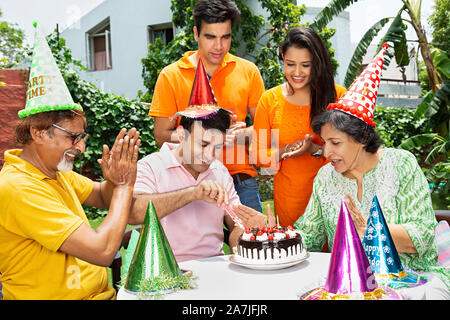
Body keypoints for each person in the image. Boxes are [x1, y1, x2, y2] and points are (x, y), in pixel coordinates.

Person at [0, 109, 140, 300]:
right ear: (38, 133)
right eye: (73, 137)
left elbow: (101, 195)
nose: (81, 147)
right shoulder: (18, 187)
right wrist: (124, 187)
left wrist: (115, 182)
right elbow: (102, 251)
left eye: (82, 138)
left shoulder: (56, 172)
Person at [149, 0, 265, 212]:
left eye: (225, 37)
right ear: (196, 34)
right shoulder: (171, 75)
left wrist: (239, 135)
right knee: (191, 244)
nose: (219, 46)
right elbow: (161, 135)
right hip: (190, 180)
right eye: (210, 37)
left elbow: (264, 128)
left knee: (255, 240)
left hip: (240, 178)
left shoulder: (249, 71)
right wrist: (210, 137)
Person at [251, 27, 346, 226]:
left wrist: (315, 150)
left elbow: (353, 152)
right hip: (290, 204)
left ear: (317, 64)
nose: (296, 73)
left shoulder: (338, 97)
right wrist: (284, 150)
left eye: (306, 65)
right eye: (290, 64)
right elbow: (257, 155)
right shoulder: (270, 100)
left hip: (335, 201)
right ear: (283, 58)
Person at [128, 108, 244, 262]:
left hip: (215, 265)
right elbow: (134, 213)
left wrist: (246, 233)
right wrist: (193, 193)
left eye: (217, 147)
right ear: (182, 135)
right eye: (203, 144)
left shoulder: (219, 171)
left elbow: (236, 223)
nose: (210, 155)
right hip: (166, 272)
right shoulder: (150, 166)